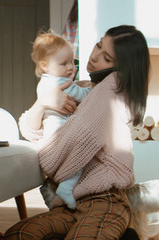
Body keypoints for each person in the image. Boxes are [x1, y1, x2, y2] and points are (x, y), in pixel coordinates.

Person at [4, 25, 150, 240]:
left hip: (103, 200)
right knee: (18, 234)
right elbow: (28, 129)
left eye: (106, 58)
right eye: (98, 45)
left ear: (120, 69)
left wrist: (46, 136)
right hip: (71, 202)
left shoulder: (112, 89)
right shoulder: (84, 88)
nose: (94, 56)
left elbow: (54, 156)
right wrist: (43, 103)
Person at [31, 32, 91, 210]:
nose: (70, 67)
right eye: (63, 63)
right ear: (44, 65)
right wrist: (93, 89)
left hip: (51, 136)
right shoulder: (61, 83)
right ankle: (65, 189)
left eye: (72, 62)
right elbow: (81, 96)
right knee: (79, 159)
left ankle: (53, 190)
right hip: (61, 136)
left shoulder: (44, 83)